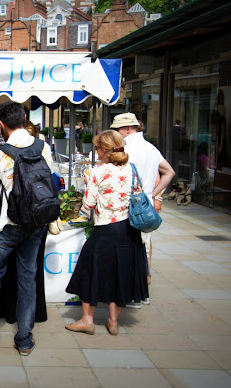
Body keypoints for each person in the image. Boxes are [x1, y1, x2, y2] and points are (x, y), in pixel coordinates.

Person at [0, 101, 52, 357]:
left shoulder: (0, 153)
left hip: (5, 225)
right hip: (35, 224)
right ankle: (25, 340)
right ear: (25, 118)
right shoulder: (43, 147)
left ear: (1, 125)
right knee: (27, 279)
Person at [65, 130, 149, 336]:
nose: (95, 151)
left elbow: (88, 205)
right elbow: (138, 195)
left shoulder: (97, 172)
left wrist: (87, 186)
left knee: (90, 272)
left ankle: (87, 319)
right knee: (121, 273)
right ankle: (113, 321)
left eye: (96, 148)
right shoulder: (133, 169)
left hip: (105, 229)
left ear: (104, 150)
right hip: (129, 229)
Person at [110, 113, 175, 308]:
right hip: (144, 203)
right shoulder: (151, 148)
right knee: (143, 249)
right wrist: (154, 193)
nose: (116, 133)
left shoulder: (126, 148)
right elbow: (169, 172)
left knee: (129, 249)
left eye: (118, 129)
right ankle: (142, 293)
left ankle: (133, 295)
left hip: (128, 203)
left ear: (128, 129)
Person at [0, 119, 48, 325]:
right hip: (38, 216)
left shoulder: (3, 152)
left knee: (9, 269)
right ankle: (32, 319)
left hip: (11, 218)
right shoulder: (43, 151)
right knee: (31, 271)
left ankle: (11, 312)